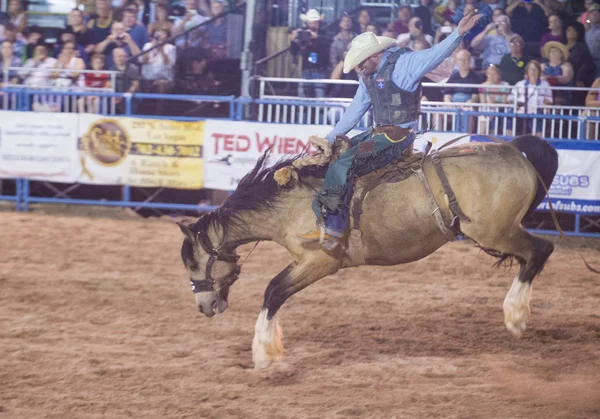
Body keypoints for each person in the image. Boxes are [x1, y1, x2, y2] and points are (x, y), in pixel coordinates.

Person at [297, 12, 484, 248]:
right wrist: (329, 139)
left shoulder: (404, 64)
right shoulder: (367, 77)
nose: (360, 67)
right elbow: (354, 112)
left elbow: (435, 55)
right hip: (380, 134)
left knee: (343, 163)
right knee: (337, 156)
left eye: (361, 61)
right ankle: (332, 220)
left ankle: (333, 230)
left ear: (375, 55)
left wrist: (458, 33)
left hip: (399, 137)